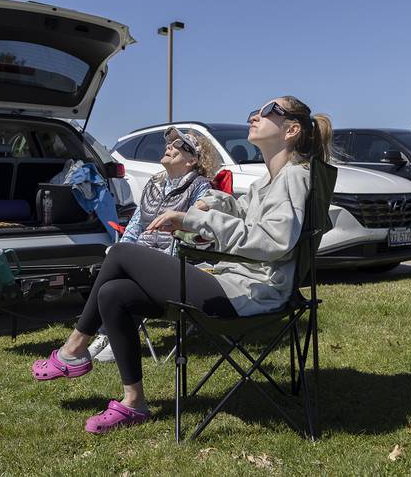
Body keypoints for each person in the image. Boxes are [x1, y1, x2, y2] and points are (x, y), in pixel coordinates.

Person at [31, 96, 332, 434]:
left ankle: (73, 349)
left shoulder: (294, 177)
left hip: (250, 294)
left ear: (291, 130)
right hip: (234, 282)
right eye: (256, 110)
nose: (254, 115)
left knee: (120, 255)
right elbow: (243, 213)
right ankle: (134, 403)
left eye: (268, 112)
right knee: (115, 293)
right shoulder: (269, 181)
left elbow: (273, 241)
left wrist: (193, 220)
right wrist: (213, 202)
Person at [87, 126, 221, 362]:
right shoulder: (154, 184)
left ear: (192, 160)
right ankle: (106, 335)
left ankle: (107, 336)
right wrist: (120, 249)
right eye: (169, 143)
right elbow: (137, 223)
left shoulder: (200, 186)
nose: (170, 146)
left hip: (176, 260)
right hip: (143, 253)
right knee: (115, 266)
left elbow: (200, 227)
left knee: (131, 278)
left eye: (180, 145)